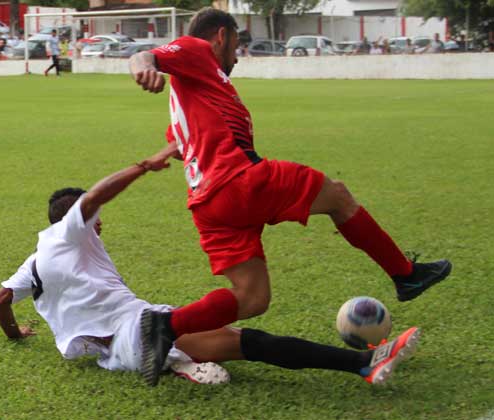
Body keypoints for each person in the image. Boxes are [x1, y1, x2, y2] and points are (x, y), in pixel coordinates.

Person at [128, 7, 451, 386]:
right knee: (339, 197)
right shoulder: (196, 50)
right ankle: (406, 274)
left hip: (210, 206)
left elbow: (185, 140)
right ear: (221, 35)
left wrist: (166, 151)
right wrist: (143, 67)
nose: (236, 55)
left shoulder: (195, 89)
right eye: (236, 44)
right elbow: (146, 55)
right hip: (240, 181)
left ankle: (167, 324)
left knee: (252, 298)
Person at [0, 143, 422, 387]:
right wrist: (145, 165)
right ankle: (366, 364)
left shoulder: (35, 261)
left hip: (130, 333)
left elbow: (0, 300)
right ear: (79, 219)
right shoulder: (72, 231)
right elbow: (96, 197)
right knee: (248, 341)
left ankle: (180, 362)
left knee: (233, 338)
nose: (99, 222)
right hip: (135, 334)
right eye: (93, 219)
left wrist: (17, 333)